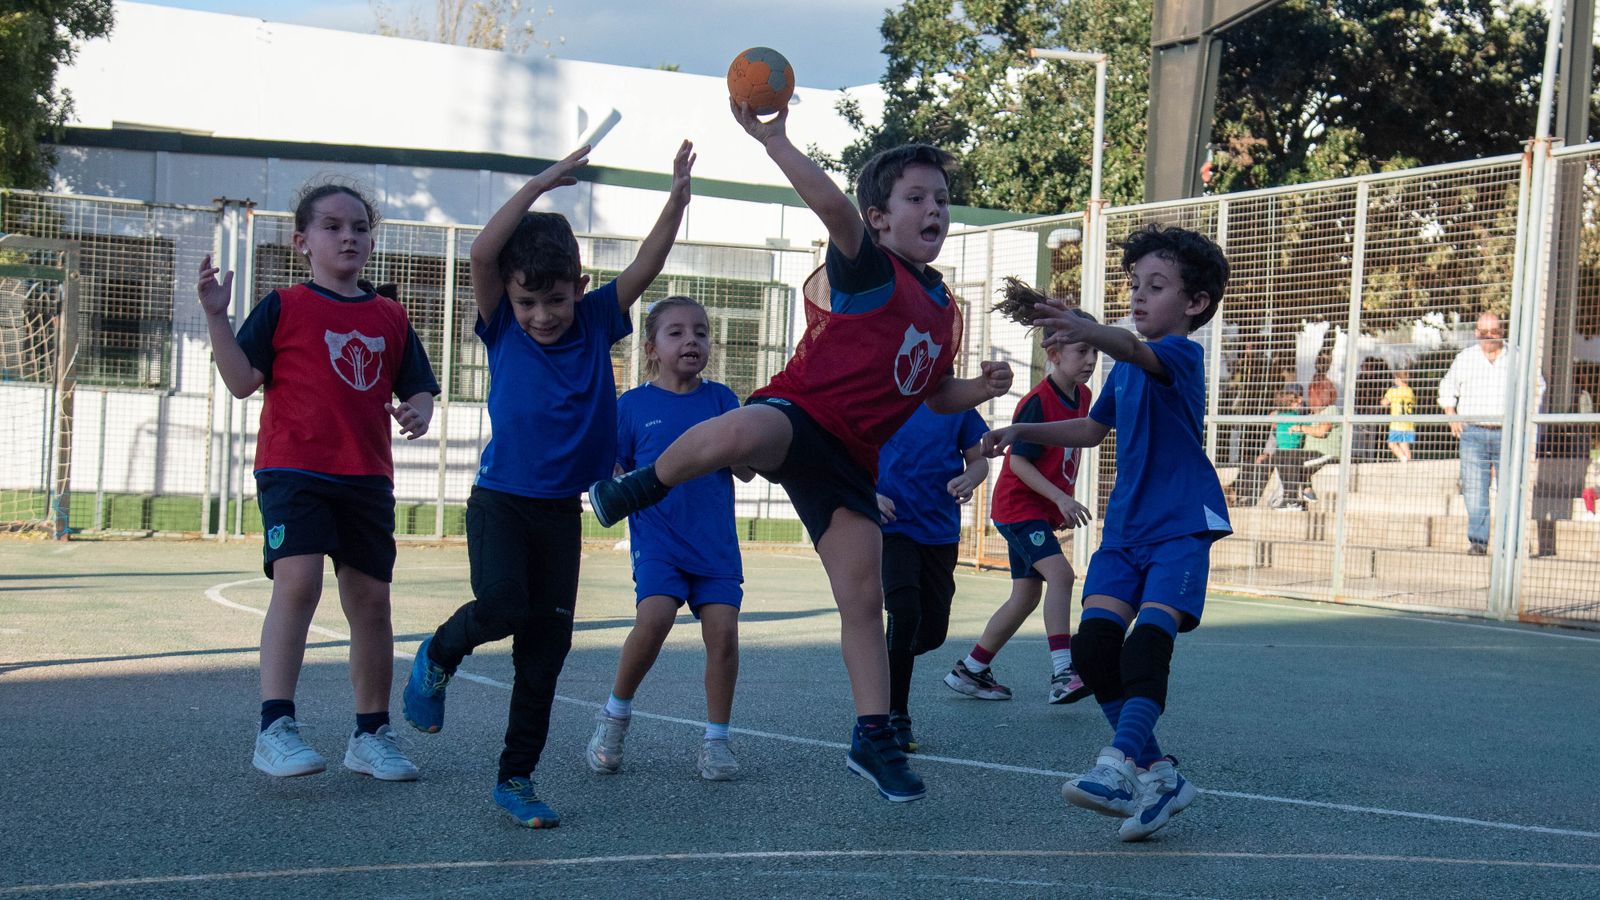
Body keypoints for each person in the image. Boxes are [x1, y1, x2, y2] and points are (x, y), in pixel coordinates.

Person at [587, 101, 1014, 803]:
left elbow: (932, 394)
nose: (934, 208)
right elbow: (834, 211)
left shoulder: (944, 311)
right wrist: (775, 140)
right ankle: (639, 486)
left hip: (851, 461)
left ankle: (873, 736)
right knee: (740, 431)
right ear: (880, 218)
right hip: (803, 413)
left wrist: (978, 386)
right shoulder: (869, 269)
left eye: (940, 198)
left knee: (862, 597)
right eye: (915, 197)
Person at [402, 141, 696, 828]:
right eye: (529, 299)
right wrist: (540, 183)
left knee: (546, 652)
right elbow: (481, 254)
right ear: (510, 293)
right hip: (502, 503)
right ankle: (440, 651)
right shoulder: (502, 324)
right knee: (503, 606)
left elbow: (647, 266)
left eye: (555, 299)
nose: (543, 314)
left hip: (560, 515)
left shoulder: (595, 321)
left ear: (578, 287)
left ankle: (517, 779)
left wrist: (676, 200)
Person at [982, 222, 1232, 842]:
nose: (1140, 295)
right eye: (1134, 285)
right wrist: (1023, 432)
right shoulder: (1120, 370)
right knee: (1094, 650)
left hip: (1179, 524)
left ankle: (1117, 764)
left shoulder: (1177, 353)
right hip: (1126, 529)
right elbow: (1092, 431)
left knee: (1147, 644)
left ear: (1195, 303)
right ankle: (1160, 773)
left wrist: (1091, 330)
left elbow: (1132, 348)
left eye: (1157, 285)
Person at [196, 183, 439, 782]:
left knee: (372, 604)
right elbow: (240, 380)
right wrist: (215, 317)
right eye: (332, 226)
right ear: (303, 242)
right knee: (297, 584)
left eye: (359, 227)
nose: (349, 236)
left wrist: (420, 411)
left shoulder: (389, 314)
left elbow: (419, 386)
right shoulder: (283, 305)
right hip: (294, 469)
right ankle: (275, 727)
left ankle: (371, 733)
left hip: (365, 477)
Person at [586, 295, 752, 782]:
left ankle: (716, 741)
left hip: (715, 546)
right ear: (651, 348)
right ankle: (614, 718)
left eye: (700, 332)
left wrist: (757, 447)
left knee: (722, 633)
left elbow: (744, 471)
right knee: (655, 618)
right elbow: (612, 472)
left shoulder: (723, 400)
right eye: (676, 332)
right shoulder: (633, 406)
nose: (691, 340)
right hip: (659, 540)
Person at [946, 301, 1097, 706]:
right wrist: (1060, 498)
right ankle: (1064, 673)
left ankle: (972, 669)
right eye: (1081, 351)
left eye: (1094, 352)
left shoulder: (1084, 397)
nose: (1090, 360)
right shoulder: (1037, 401)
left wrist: (1055, 503)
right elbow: (1019, 461)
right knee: (1062, 577)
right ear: (1054, 354)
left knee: (1026, 597)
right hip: (1018, 508)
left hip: (1034, 511)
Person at [874, 403, 989, 752]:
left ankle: (887, 655)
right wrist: (869, 494)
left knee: (932, 631)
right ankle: (895, 714)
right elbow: (849, 455)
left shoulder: (958, 404)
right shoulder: (886, 392)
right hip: (893, 527)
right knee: (904, 610)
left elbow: (979, 459)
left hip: (940, 533)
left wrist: (971, 477)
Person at [1437, 312, 1522, 556]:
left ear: (1501, 332)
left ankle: (1509, 543)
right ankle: (1478, 541)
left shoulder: (1516, 357)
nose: (1487, 337)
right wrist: (1451, 413)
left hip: (1507, 431)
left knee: (1509, 487)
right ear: (1476, 332)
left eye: (1492, 332)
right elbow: (1447, 385)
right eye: (1483, 333)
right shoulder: (1466, 358)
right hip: (1473, 431)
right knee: (1475, 488)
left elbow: (1536, 386)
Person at [1383, 368, 1416, 463]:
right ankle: (1408, 463)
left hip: (1397, 424)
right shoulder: (1410, 391)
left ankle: (1403, 459)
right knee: (1404, 444)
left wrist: (1382, 401)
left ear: (1398, 379)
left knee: (1391, 444)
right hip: (1409, 424)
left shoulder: (1393, 391)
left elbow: (1385, 402)